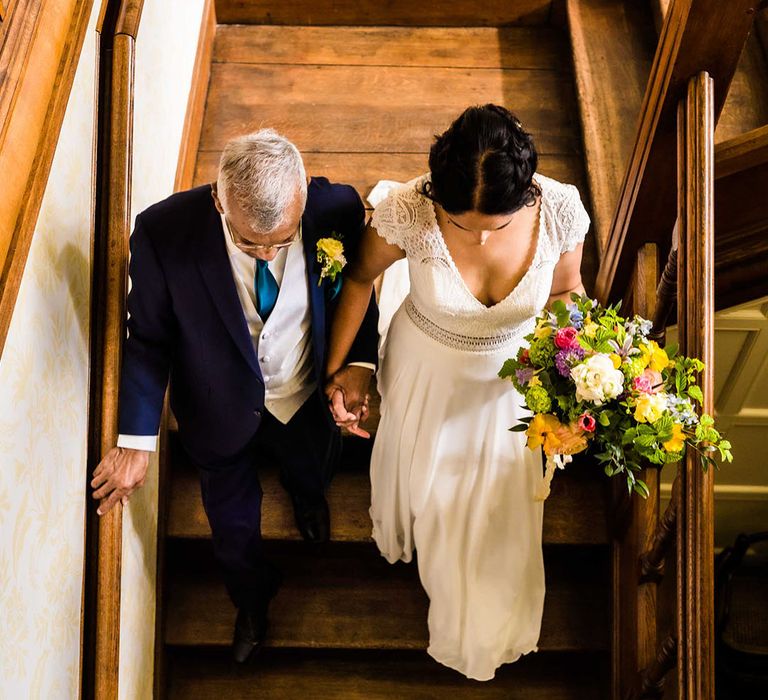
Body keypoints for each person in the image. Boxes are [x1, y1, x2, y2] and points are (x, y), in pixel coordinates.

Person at [90, 130, 379, 663]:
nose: (267, 252)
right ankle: (252, 601)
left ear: (302, 200)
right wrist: (137, 439)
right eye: (250, 242)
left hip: (304, 394)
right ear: (219, 202)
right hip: (215, 412)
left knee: (312, 467)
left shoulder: (337, 208)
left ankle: (307, 498)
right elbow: (148, 340)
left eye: (282, 239)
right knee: (232, 533)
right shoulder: (163, 233)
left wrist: (357, 364)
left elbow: (359, 289)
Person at [325, 104, 590, 681]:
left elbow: (567, 294)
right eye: (462, 222)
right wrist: (340, 368)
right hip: (428, 373)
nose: (479, 235)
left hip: (509, 384)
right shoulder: (408, 213)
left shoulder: (561, 210)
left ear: (526, 198)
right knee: (433, 499)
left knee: (494, 518)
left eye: (494, 224)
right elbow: (361, 280)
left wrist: (574, 384)